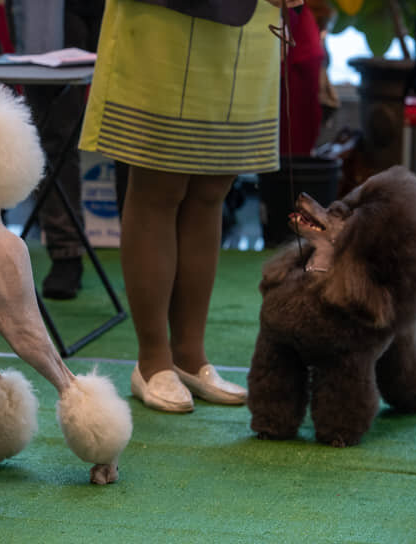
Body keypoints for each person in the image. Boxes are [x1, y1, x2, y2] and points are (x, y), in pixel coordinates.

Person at [79, 0, 301, 412]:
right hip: (166, 17)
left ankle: (189, 356)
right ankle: (152, 361)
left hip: (251, 22)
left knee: (213, 188)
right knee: (158, 185)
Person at [12, 0, 105, 300]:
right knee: (54, 135)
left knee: (138, 135)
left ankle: (145, 248)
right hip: (48, 9)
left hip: (133, 10)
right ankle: (66, 253)